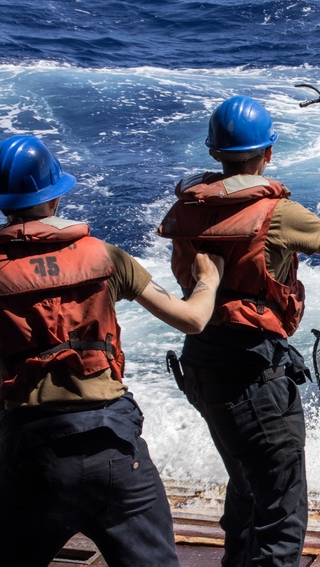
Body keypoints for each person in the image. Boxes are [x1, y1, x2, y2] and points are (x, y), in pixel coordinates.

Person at [157, 96, 320, 567]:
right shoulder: (280, 216)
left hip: (202, 363)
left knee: (246, 485)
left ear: (215, 152)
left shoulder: (189, 207)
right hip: (253, 374)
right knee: (281, 512)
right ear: (267, 153)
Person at [0, 134, 224, 566]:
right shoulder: (104, 256)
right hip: (114, 451)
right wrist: (209, 280)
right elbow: (192, 319)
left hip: (32, 455)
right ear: (55, 200)